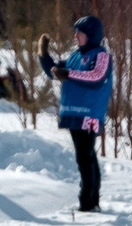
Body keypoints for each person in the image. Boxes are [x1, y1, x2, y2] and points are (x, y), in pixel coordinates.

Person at [38, 13, 111, 212]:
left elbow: (96, 76)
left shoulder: (101, 55)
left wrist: (68, 74)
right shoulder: (75, 56)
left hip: (89, 114)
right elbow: (54, 71)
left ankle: (87, 202)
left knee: (84, 156)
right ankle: (92, 199)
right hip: (74, 114)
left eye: (80, 33)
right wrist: (44, 56)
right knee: (86, 156)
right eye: (76, 33)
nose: (76, 36)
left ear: (91, 35)